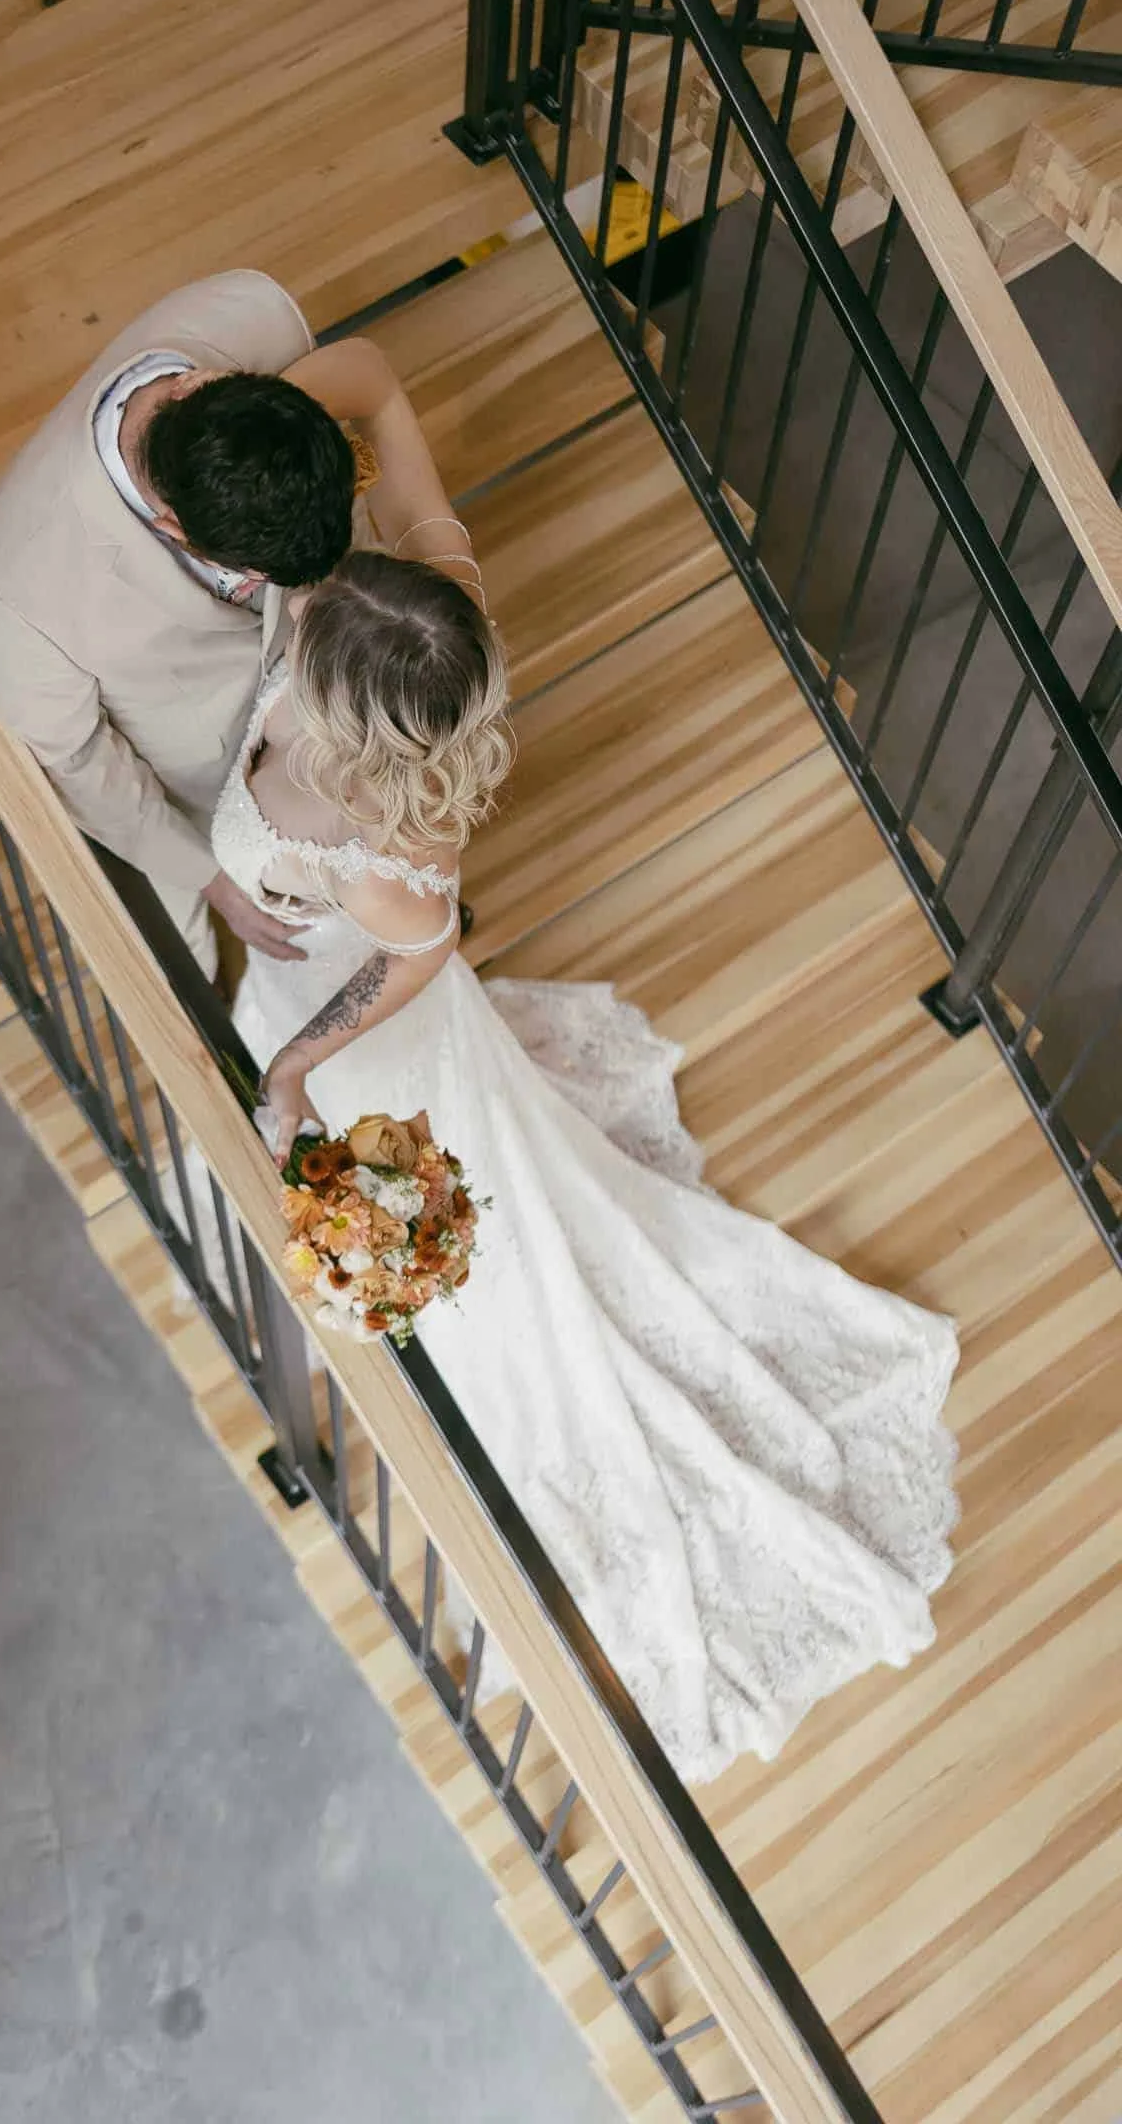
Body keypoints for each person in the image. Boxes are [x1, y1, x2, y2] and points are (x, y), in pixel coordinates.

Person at [212, 532, 959, 1783]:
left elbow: (416, 964)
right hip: (294, 972)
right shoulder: (360, 644)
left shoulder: (388, 867)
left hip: (364, 1041)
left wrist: (296, 1070)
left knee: (467, 1245)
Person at [0, 271, 452, 974]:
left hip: (348, 694)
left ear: (202, 382)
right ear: (170, 526)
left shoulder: (256, 313)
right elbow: (79, 763)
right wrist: (211, 878)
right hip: (219, 769)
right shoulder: (15, 597)